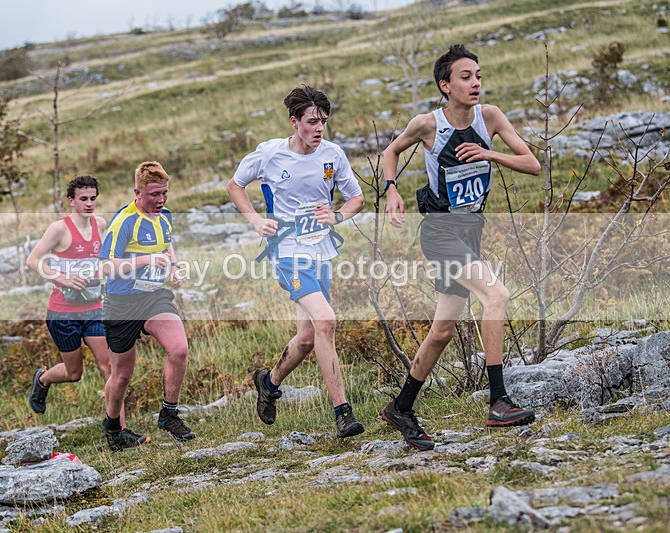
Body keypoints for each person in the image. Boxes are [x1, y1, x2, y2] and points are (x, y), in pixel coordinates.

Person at [381, 44, 541, 450]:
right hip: (439, 232)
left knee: (442, 330)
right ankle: (498, 400)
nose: (475, 83)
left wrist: (489, 152)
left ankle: (401, 406)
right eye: (465, 77)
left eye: (478, 76)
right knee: (496, 294)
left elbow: (532, 164)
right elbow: (392, 150)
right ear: (445, 85)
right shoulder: (427, 125)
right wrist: (392, 189)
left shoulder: (490, 117)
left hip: (470, 230)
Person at [227, 85, 366, 438]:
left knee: (307, 337)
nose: (319, 129)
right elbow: (235, 185)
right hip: (287, 250)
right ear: (294, 122)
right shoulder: (270, 154)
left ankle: (269, 383)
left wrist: (337, 215)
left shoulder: (333, 154)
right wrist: (257, 221)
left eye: (323, 122)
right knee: (327, 320)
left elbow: (356, 198)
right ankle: (342, 412)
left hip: (321, 250)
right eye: (311, 122)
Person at [98, 161, 193, 451]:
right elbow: (104, 266)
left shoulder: (164, 216)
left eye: (164, 193)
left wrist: (174, 268)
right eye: (154, 194)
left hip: (153, 297)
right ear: (137, 192)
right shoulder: (124, 221)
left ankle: (168, 414)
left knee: (179, 349)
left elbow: (166, 244)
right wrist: (145, 261)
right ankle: (113, 429)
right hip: (121, 303)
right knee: (122, 375)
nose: (161, 200)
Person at [26, 176, 126, 426]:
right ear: (71, 201)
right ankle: (43, 380)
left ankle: (118, 430)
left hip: (94, 309)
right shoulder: (58, 229)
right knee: (74, 373)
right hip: (63, 313)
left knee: (109, 369)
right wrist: (64, 278)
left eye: (93, 198)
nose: (89, 203)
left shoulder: (100, 224)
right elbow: (32, 260)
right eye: (83, 199)